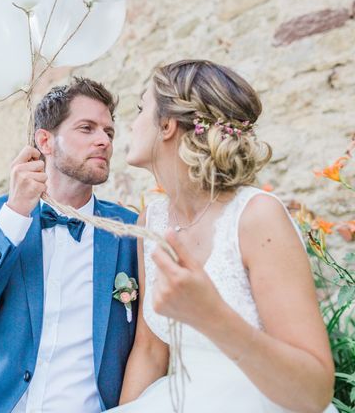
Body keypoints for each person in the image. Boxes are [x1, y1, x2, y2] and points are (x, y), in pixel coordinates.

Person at [110, 59, 336, 412]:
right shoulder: (150, 221)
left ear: (167, 125)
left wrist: (212, 316)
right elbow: (150, 350)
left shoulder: (256, 217)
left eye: (141, 108)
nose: (131, 123)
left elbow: (314, 392)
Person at [0, 78, 139, 412]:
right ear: (45, 140)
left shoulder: (128, 231)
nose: (103, 141)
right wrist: (15, 214)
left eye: (109, 132)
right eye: (86, 128)